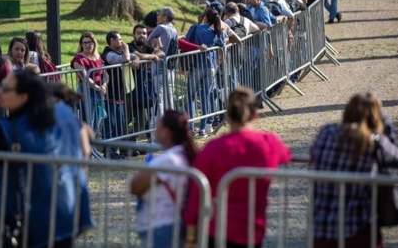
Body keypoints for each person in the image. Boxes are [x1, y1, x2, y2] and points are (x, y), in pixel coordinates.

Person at [0, 69, 93, 248]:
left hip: (29, 222)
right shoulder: (63, 112)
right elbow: (88, 133)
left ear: (24, 96)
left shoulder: (7, 129)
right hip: (67, 214)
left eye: (6, 89)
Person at [183, 87, 292, 248]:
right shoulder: (269, 144)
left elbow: (197, 196)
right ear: (255, 115)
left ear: (228, 115)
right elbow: (286, 155)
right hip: (251, 231)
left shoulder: (212, 148)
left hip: (215, 230)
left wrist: (191, 237)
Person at [311, 93, 398, 248]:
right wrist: (386, 130)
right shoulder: (372, 141)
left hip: (322, 231)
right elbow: (397, 157)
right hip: (358, 231)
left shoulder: (326, 132)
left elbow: (314, 154)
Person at [131, 110, 197, 248]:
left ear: (166, 132)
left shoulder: (169, 160)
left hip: (162, 226)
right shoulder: (181, 155)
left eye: (158, 125)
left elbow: (135, 186)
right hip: (169, 224)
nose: (155, 129)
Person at [185, 8, 227, 137]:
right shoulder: (216, 32)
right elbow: (222, 42)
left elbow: (186, 42)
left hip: (196, 66)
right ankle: (202, 128)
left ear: (205, 17)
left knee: (191, 97)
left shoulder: (195, 28)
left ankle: (190, 128)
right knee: (205, 97)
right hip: (211, 67)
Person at [101, 31, 140, 157]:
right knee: (110, 126)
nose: (121, 42)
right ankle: (109, 151)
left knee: (120, 125)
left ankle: (115, 150)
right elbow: (126, 59)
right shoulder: (108, 55)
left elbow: (134, 57)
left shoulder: (119, 52)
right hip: (110, 95)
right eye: (119, 39)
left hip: (120, 95)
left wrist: (137, 59)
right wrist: (127, 48)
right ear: (111, 41)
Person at [127, 25, 165, 143]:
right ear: (133, 35)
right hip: (127, 89)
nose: (142, 35)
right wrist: (152, 56)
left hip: (141, 89)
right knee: (126, 119)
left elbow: (162, 53)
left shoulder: (145, 46)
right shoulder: (129, 46)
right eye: (138, 33)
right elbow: (140, 56)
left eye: (144, 33)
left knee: (143, 118)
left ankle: (131, 141)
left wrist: (152, 55)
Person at [70, 32, 107, 134]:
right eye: (84, 43)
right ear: (81, 44)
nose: (87, 45)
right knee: (88, 123)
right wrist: (98, 88)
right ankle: (86, 148)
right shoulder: (79, 59)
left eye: (90, 42)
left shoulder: (98, 57)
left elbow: (105, 73)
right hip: (87, 92)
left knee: (97, 124)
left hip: (99, 92)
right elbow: (85, 77)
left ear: (94, 43)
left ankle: (93, 149)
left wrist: (104, 85)